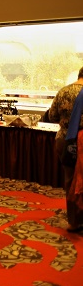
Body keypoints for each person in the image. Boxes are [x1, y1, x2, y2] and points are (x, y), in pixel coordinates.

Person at [47, 66, 83, 232]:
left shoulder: (63, 91)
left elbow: (52, 116)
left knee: (70, 180)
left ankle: (73, 221)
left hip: (65, 140)